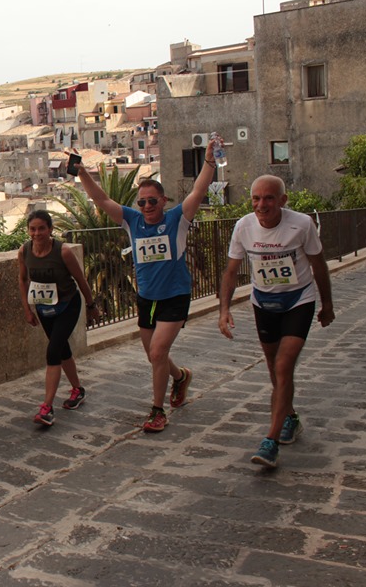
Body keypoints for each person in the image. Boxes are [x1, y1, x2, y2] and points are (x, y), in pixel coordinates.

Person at [75, 143, 217, 432]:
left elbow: (198, 191)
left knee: (157, 352)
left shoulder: (177, 219)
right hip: (146, 298)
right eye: (142, 202)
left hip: (175, 295)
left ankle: (157, 411)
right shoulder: (132, 221)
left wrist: (210, 162)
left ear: (163, 200)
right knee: (154, 354)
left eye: (152, 201)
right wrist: (81, 173)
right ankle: (179, 377)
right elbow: (100, 199)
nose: (147, 207)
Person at [218, 175, 334, 468]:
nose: (261, 205)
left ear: (283, 200)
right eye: (256, 198)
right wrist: (224, 310)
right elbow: (231, 271)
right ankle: (290, 417)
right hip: (264, 302)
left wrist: (327, 304)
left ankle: (270, 441)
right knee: (273, 366)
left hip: (298, 299)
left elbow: (319, 265)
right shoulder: (244, 226)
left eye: (269, 198)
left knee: (284, 365)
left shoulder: (302, 225)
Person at [18, 210, 100, 426]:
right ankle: (77, 390)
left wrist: (92, 305)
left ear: (50, 229)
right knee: (62, 351)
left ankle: (47, 408)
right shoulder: (24, 251)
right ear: (28, 230)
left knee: (53, 351)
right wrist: (27, 309)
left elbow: (80, 279)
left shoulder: (62, 252)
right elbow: (23, 280)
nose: (37, 233)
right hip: (45, 310)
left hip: (68, 306)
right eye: (33, 229)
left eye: (41, 228)